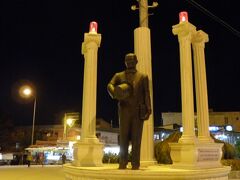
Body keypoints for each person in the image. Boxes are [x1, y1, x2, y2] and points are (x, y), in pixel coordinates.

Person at [107, 53, 151, 170]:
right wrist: (115, 93)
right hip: (124, 109)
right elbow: (109, 85)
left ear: (136, 61)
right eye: (127, 60)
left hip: (138, 110)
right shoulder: (119, 75)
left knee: (137, 138)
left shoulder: (143, 76)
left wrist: (149, 108)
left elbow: (146, 93)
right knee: (124, 137)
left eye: (132, 60)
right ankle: (123, 162)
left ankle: (135, 163)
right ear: (125, 62)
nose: (130, 62)